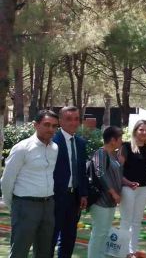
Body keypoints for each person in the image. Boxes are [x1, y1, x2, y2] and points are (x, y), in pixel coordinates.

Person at [1, 110, 60, 258]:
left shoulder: (55, 148)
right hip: (25, 205)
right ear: (36, 125)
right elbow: (7, 180)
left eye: (54, 126)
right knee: (19, 251)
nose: (51, 129)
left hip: (48, 205)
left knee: (44, 252)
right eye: (47, 124)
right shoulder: (22, 148)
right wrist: (13, 205)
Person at [51, 106, 89, 258]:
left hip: (75, 198)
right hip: (55, 197)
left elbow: (82, 171)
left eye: (76, 119)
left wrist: (83, 194)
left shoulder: (80, 143)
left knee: (69, 237)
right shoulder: (53, 141)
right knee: (51, 237)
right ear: (60, 121)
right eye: (69, 119)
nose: (73, 123)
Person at [87, 126, 124, 258]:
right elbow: (100, 173)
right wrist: (113, 192)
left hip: (110, 201)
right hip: (100, 200)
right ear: (113, 140)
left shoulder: (113, 155)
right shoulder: (101, 153)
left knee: (105, 232)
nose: (122, 141)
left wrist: (128, 183)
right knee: (99, 233)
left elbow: (116, 176)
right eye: (120, 138)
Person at [118, 120, 146, 257]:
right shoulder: (126, 146)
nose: (144, 132)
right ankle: (123, 251)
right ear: (135, 131)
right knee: (126, 220)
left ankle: (132, 250)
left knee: (137, 221)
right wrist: (127, 183)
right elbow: (117, 170)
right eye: (141, 129)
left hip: (143, 188)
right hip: (128, 188)